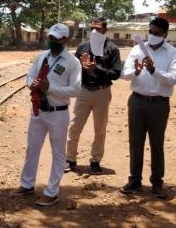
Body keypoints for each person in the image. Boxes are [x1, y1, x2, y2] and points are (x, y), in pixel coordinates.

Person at [12, 24, 81, 206]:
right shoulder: (41, 57)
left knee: (58, 154)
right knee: (32, 148)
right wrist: (31, 84)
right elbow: (29, 77)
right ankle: (27, 185)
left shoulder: (72, 62)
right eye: (51, 38)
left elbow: (75, 90)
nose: (53, 42)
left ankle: (52, 191)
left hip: (58, 114)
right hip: (38, 111)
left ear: (65, 40)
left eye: (57, 39)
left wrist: (52, 89)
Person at [120, 17, 176, 199]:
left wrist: (153, 70)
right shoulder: (137, 49)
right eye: (150, 31)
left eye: (156, 33)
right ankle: (135, 179)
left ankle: (157, 183)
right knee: (136, 142)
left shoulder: (172, 52)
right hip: (137, 101)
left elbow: (172, 78)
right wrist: (135, 71)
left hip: (159, 104)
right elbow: (125, 74)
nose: (152, 35)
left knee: (156, 144)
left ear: (165, 35)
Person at [66, 17, 121, 173]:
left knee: (100, 129)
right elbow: (74, 68)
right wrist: (81, 68)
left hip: (102, 92)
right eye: (92, 29)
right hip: (83, 91)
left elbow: (116, 74)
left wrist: (96, 68)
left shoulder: (112, 49)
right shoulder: (83, 46)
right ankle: (70, 159)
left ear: (105, 30)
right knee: (74, 126)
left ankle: (95, 161)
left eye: (98, 29)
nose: (95, 31)